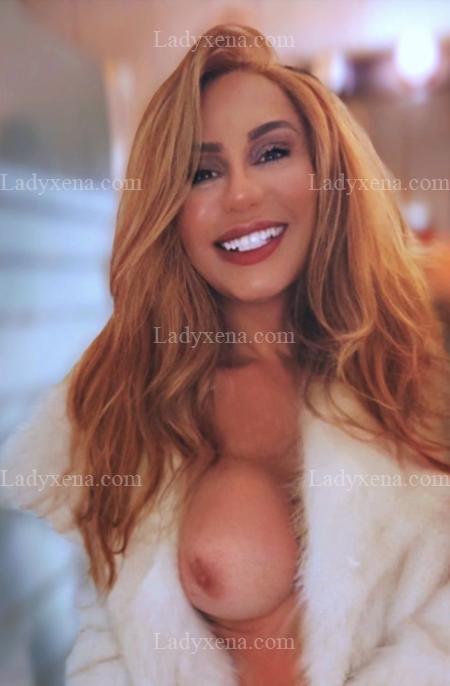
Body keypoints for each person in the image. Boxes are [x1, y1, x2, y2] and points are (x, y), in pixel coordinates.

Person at [1, 22, 450, 686]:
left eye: (272, 153)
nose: (240, 194)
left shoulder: (419, 363)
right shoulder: (129, 401)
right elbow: (106, 639)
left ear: (325, 174)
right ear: (170, 209)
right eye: (203, 172)